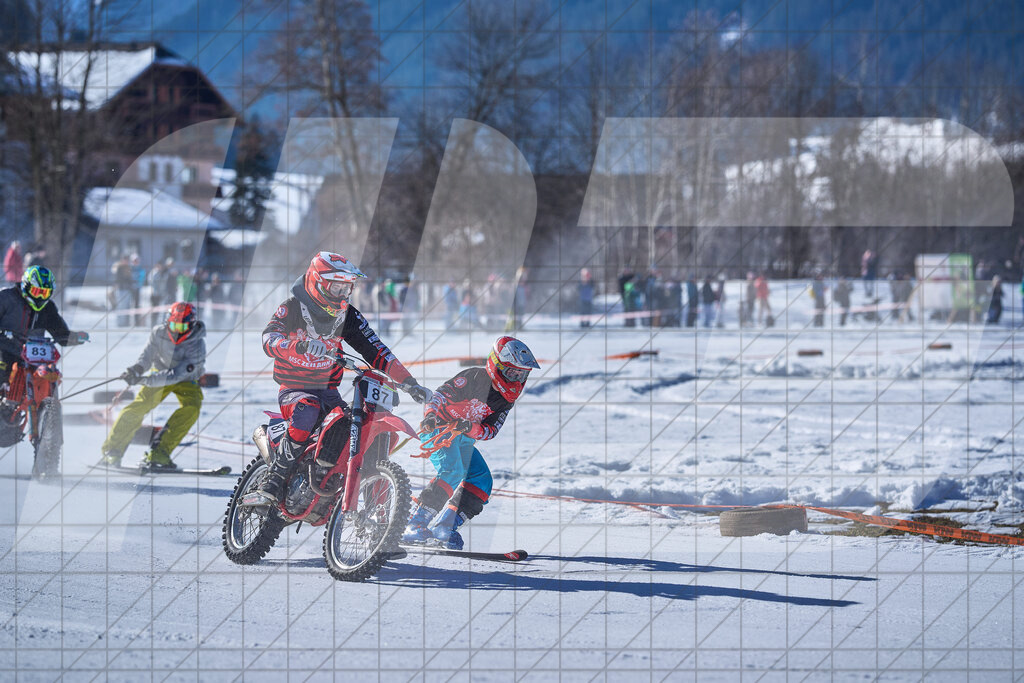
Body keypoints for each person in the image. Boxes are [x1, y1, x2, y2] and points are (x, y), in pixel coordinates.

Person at [252, 251, 430, 505]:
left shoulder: (348, 315)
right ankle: (274, 478)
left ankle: (339, 485)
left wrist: (410, 382)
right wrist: (297, 346)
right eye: (336, 287)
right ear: (318, 283)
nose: (342, 295)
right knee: (307, 410)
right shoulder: (291, 307)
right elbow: (268, 339)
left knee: (351, 427)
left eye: (347, 288)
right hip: (294, 388)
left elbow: (376, 350)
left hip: (329, 391)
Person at [403, 336, 540, 549]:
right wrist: (431, 416)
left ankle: (446, 526)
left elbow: (491, 430)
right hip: (438, 430)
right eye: (512, 373)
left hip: (464, 440)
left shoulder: (506, 400)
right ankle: (415, 524)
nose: (516, 379)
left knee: (482, 480)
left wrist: (469, 428)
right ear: (497, 365)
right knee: (453, 470)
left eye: (521, 374)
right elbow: (440, 396)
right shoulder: (474, 377)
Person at [100, 302, 206, 470]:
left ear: (191, 324)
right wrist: (137, 369)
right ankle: (112, 452)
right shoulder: (158, 333)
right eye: (173, 325)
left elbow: (176, 375)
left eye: (182, 326)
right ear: (167, 322)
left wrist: (143, 380)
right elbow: (147, 356)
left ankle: (159, 453)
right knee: (138, 407)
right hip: (159, 373)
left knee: (192, 407)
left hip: (185, 378)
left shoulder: (198, 345)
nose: (177, 330)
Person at [0, 265, 89, 387]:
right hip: (5, 349)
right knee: (2, 369)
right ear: (26, 286)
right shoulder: (6, 298)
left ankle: (48, 401)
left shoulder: (48, 308)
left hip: (33, 356)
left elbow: (60, 332)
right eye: (37, 292)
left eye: (45, 293)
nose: (40, 297)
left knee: (50, 373)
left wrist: (75, 337)